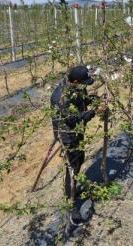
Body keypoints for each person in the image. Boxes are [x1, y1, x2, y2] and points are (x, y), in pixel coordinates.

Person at [50, 65, 98, 216]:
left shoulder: (76, 86)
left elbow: (81, 99)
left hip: (77, 133)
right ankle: (70, 203)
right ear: (76, 80)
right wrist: (91, 113)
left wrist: (92, 100)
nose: (85, 85)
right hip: (68, 136)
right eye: (84, 82)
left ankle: (73, 188)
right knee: (71, 167)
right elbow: (71, 119)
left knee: (79, 160)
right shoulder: (61, 97)